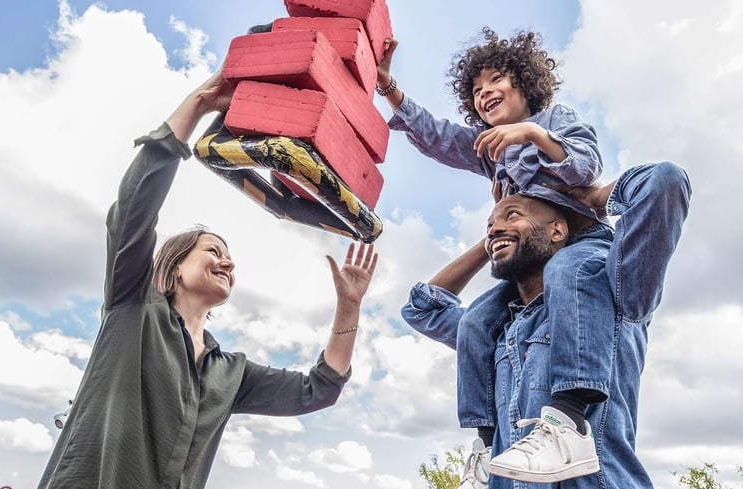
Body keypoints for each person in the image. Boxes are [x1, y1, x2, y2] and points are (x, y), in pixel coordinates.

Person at [37, 68, 379, 488]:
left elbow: (318, 390)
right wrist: (199, 104)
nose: (228, 264)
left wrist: (349, 308)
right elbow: (132, 213)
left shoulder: (231, 375)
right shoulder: (133, 307)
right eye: (214, 251)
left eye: (230, 258)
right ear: (175, 265)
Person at [377, 28, 615, 485]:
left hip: (579, 246)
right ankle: (486, 443)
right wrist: (389, 89)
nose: (484, 93)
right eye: (476, 90)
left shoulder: (553, 118)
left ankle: (568, 418)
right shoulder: (495, 150)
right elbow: (439, 137)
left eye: (495, 81)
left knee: (566, 271)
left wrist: (532, 133)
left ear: (524, 83)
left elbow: (587, 166)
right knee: (473, 323)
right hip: (534, 260)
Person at [402, 161, 691, 488]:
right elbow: (422, 309)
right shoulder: (495, 332)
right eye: (489, 226)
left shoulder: (612, 299)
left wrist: (593, 198)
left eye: (513, 215)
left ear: (557, 230)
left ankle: (567, 421)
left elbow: (664, 182)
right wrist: (497, 234)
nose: (494, 228)